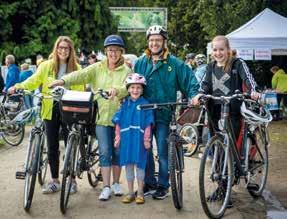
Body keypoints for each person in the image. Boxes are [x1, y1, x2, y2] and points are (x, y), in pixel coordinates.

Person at [48, 34, 131, 201]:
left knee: (118, 151)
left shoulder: (127, 70)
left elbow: (128, 86)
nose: (112, 53)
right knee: (105, 151)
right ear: (106, 52)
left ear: (121, 52)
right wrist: (62, 81)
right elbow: (80, 75)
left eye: (116, 50)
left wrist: (118, 90)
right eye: (109, 50)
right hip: (100, 117)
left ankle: (116, 183)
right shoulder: (97, 67)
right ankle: (106, 186)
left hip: (120, 118)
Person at [9, 36, 85, 194]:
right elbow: (34, 80)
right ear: (56, 49)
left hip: (69, 108)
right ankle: (55, 180)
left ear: (71, 50)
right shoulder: (46, 66)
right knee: (52, 146)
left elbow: (80, 90)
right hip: (49, 108)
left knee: (71, 143)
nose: (63, 50)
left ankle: (71, 180)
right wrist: (18, 86)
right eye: (60, 47)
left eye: (66, 48)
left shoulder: (76, 68)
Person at [192, 35, 259, 207]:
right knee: (217, 148)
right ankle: (223, 187)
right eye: (215, 49)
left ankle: (227, 189)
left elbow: (249, 79)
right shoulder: (210, 67)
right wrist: (200, 94)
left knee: (228, 149)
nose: (218, 53)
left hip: (233, 111)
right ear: (211, 51)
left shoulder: (237, 64)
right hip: (215, 111)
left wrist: (253, 91)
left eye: (221, 49)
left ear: (228, 49)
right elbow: (205, 85)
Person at [134, 25, 199, 200]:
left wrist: (194, 95)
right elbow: (131, 85)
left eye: (158, 40)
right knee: (145, 150)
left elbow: (190, 81)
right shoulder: (140, 63)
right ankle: (149, 183)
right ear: (148, 42)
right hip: (145, 114)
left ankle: (163, 185)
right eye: (152, 40)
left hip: (164, 113)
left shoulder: (175, 63)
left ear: (164, 42)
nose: (154, 43)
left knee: (163, 152)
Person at [112, 73, 154, 204]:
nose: (135, 90)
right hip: (127, 140)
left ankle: (140, 192)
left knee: (140, 167)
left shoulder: (146, 104)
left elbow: (148, 123)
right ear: (128, 89)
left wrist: (147, 139)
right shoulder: (124, 104)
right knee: (129, 167)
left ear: (142, 90)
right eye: (132, 87)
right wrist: (117, 137)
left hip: (140, 141)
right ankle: (130, 192)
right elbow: (118, 122)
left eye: (138, 88)